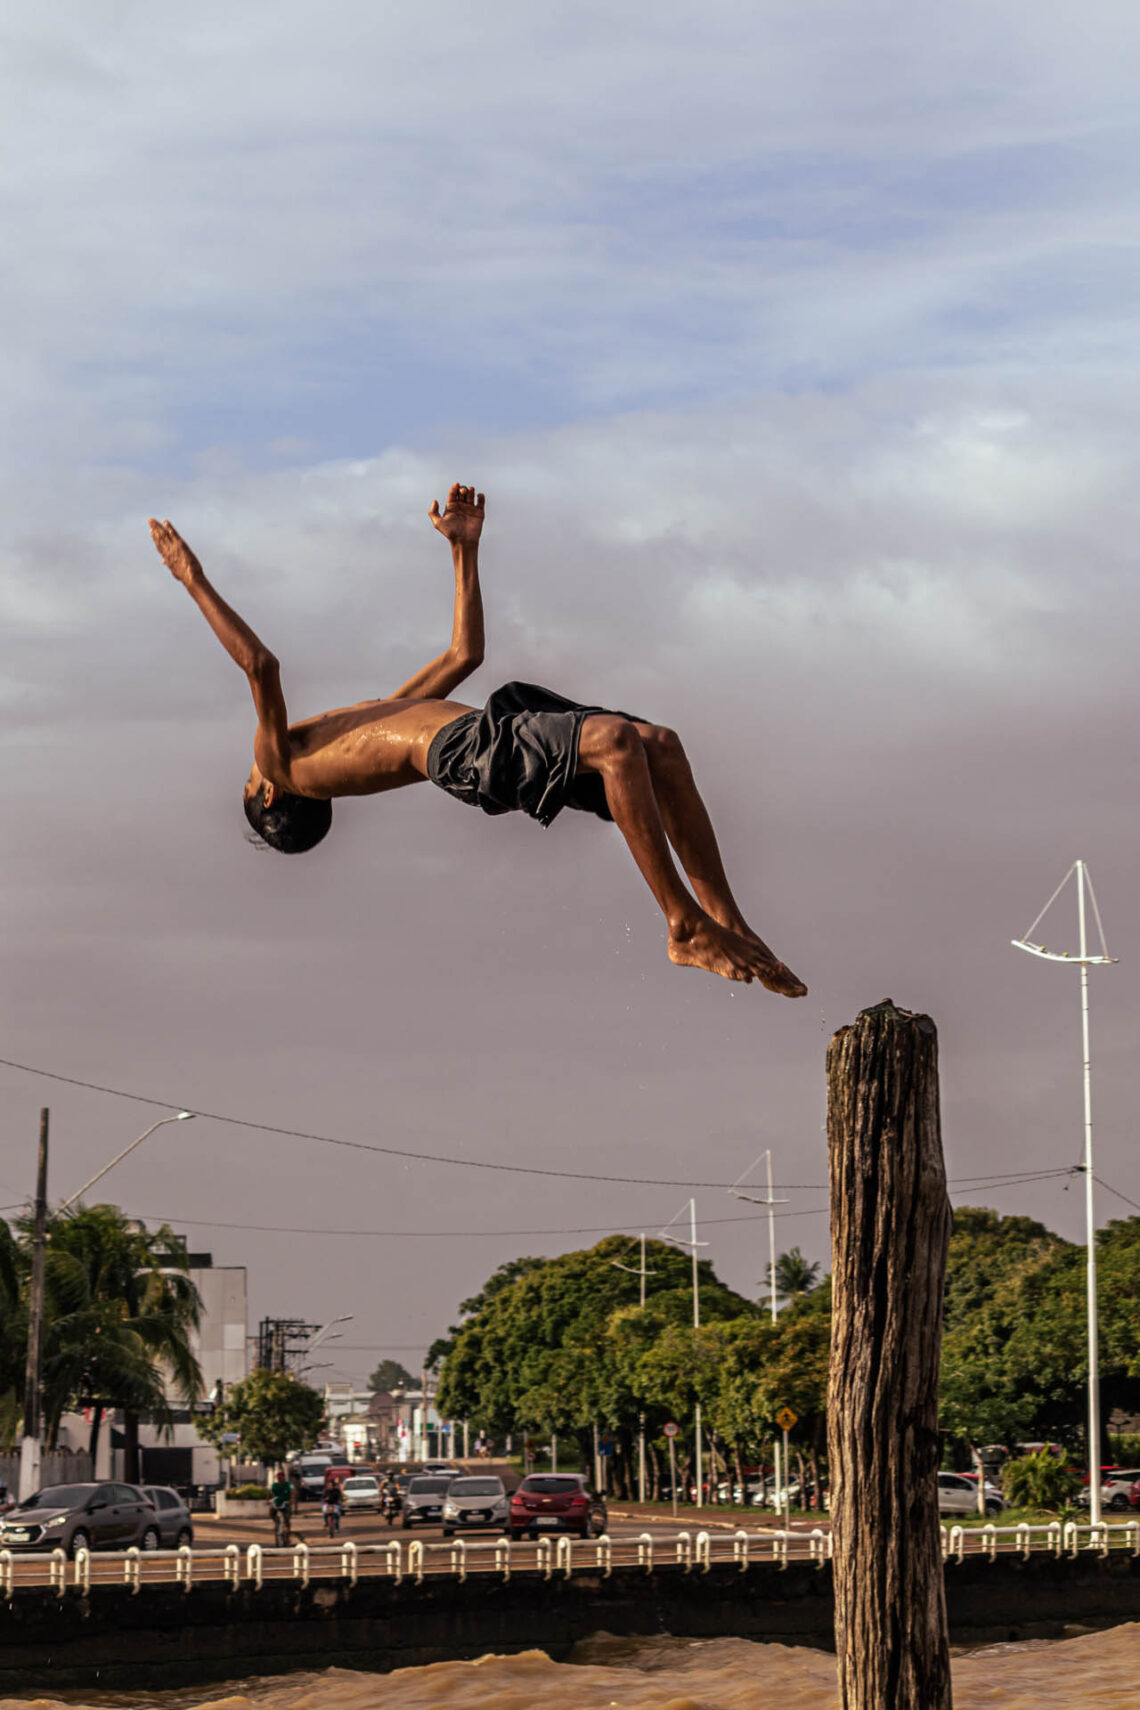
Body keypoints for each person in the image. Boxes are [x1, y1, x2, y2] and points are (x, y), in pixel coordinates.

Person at [148, 487, 805, 993]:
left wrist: (464, 549)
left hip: (483, 731)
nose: (251, 760)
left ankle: (728, 921)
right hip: (466, 755)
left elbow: (465, 654)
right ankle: (683, 923)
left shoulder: (364, 729)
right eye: (248, 776)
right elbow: (261, 666)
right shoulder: (284, 764)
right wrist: (191, 576)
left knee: (658, 744)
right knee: (614, 745)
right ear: (268, 796)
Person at [268, 1466, 293, 1546]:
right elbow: (270, 1493)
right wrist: (267, 1500)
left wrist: (292, 1500)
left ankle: (287, 1534)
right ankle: (275, 1522)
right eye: (278, 1478)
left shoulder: (288, 1485)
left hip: (285, 1503)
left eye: (281, 1478)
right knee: (271, 1511)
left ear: (284, 1478)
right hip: (277, 1502)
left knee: (287, 1520)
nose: (280, 1480)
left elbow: (293, 1493)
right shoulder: (274, 1485)